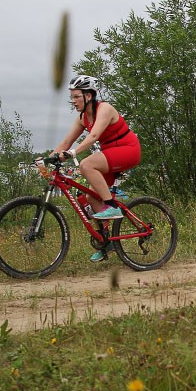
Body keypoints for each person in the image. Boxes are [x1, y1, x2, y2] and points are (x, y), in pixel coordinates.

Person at [49, 75, 141, 262]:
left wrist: (72, 154)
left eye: (76, 97)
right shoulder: (83, 118)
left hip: (128, 150)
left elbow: (94, 136)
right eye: (72, 97)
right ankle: (107, 240)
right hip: (110, 154)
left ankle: (112, 207)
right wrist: (47, 159)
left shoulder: (104, 109)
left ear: (88, 96)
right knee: (90, 197)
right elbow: (66, 142)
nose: (73, 101)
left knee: (86, 164)